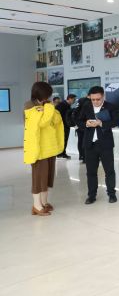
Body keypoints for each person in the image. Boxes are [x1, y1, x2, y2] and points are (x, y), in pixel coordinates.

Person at [23, 82, 64, 216]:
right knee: (38, 178)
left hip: (50, 147)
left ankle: (44, 202)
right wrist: (50, 108)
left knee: (47, 177)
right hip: (38, 150)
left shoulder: (46, 105)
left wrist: (48, 109)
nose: (49, 96)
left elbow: (57, 120)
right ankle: (36, 205)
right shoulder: (29, 105)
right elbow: (42, 123)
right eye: (47, 93)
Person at [77, 86, 119, 204]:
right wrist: (86, 123)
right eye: (93, 99)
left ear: (103, 97)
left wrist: (101, 123)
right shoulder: (86, 107)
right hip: (90, 144)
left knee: (109, 171)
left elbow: (116, 121)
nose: (95, 102)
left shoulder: (110, 107)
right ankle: (91, 195)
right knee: (91, 172)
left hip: (105, 144)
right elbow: (78, 120)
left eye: (98, 99)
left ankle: (112, 194)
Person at [55, 93, 77, 159]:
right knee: (63, 139)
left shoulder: (67, 105)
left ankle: (61, 153)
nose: (74, 101)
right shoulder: (62, 105)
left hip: (65, 125)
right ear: (69, 99)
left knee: (64, 139)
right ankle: (61, 153)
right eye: (73, 100)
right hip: (62, 125)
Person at [74, 95, 90, 162]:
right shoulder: (87, 101)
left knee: (80, 140)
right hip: (84, 123)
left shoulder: (80, 100)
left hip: (79, 123)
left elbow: (75, 112)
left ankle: (82, 155)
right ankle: (85, 157)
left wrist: (76, 123)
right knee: (84, 141)